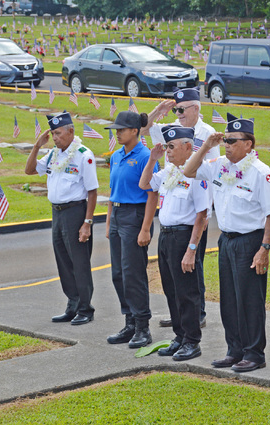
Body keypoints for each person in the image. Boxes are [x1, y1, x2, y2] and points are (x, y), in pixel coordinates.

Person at [184, 113, 270, 373]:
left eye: (232, 140)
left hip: (250, 241)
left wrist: (264, 248)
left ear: (248, 144)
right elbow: (188, 170)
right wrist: (206, 145)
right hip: (226, 240)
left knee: (250, 300)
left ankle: (254, 353)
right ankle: (234, 349)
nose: (226, 144)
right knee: (229, 299)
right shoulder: (218, 164)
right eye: (225, 139)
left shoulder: (260, 173)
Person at [142, 87, 217, 328]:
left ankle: (198, 314)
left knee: (193, 264)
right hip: (173, 194)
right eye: (176, 109)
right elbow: (142, 130)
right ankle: (181, 317)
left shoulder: (208, 133)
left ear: (196, 108)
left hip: (196, 201)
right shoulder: (170, 129)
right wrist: (158, 111)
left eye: (182, 109)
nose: (178, 113)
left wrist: (206, 212)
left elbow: (213, 170)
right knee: (173, 271)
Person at [139, 126, 210, 361]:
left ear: (188, 147)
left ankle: (192, 340)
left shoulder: (197, 175)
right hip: (166, 235)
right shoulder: (169, 171)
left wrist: (192, 250)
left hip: (184, 237)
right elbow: (144, 184)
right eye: (166, 146)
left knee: (186, 292)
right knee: (171, 290)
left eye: (171, 146)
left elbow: (202, 215)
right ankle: (179, 336)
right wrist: (152, 160)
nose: (167, 151)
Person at [25, 111, 98, 326]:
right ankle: (72, 304)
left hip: (76, 212)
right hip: (57, 212)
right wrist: (37, 146)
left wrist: (87, 223)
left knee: (79, 262)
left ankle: (85, 308)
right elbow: (29, 170)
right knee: (63, 261)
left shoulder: (84, 155)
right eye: (52, 134)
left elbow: (92, 191)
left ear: (70, 131)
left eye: (58, 133)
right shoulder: (52, 155)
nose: (55, 138)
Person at [104, 111, 159, 349]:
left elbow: (152, 195)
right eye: (116, 129)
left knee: (133, 273)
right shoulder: (116, 156)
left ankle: (142, 326)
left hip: (134, 216)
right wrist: (108, 223)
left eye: (121, 129)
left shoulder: (146, 156)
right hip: (117, 215)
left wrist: (145, 228)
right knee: (118, 272)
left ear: (135, 131)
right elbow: (112, 190)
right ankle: (129, 321)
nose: (117, 133)